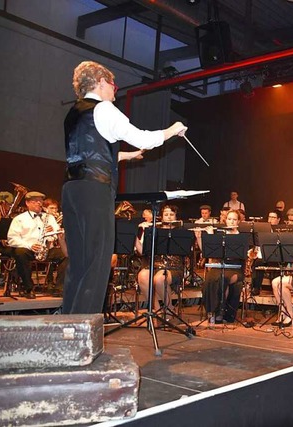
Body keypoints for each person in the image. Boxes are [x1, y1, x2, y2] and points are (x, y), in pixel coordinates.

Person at [62, 60, 187, 314]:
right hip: (95, 191)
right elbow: (144, 137)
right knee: (97, 263)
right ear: (100, 81)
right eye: (112, 84)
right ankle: (84, 329)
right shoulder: (104, 109)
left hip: (72, 190)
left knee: (79, 263)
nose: (115, 91)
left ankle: (68, 326)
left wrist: (127, 156)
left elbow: (89, 155)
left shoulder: (74, 112)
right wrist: (172, 130)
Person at [7, 191, 68, 298]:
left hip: (46, 248)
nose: (39, 203)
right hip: (27, 249)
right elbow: (12, 238)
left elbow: (56, 235)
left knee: (65, 255)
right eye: (35, 201)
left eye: (40, 201)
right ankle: (28, 288)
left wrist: (52, 233)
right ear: (27, 203)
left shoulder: (49, 218)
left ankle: (59, 287)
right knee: (20, 253)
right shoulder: (19, 219)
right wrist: (30, 245)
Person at [197, 210, 245, 324]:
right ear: (225, 220)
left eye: (234, 219)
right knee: (209, 279)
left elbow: (242, 257)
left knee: (223, 278)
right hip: (219, 266)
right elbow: (207, 252)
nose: (231, 221)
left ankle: (219, 313)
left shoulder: (241, 236)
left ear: (238, 221)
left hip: (235, 268)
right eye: (229, 219)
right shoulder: (220, 234)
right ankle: (212, 312)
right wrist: (203, 237)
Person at [135, 204, 184, 314]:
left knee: (159, 279)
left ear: (176, 217)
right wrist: (136, 234)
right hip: (155, 264)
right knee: (142, 276)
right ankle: (156, 310)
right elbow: (142, 251)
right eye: (166, 214)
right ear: (161, 217)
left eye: (172, 214)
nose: (169, 217)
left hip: (173, 267)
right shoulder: (153, 230)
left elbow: (186, 251)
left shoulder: (180, 232)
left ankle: (169, 308)